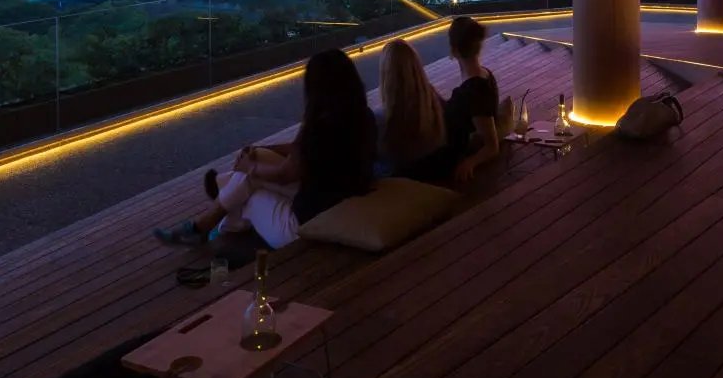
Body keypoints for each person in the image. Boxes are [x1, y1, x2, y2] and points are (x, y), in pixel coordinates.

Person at [153, 48, 375, 250]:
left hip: (303, 223)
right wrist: (260, 150)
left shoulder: (319, 127)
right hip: (337, 199)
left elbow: (285, 175)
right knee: (255, 163)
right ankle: (212, 218)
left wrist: (252, 170)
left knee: (250, 188)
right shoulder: (364, 117)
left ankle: (215, 224)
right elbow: (301, 152)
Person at [405, 15, 504, 186]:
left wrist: (470, 163)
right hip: (447, 145)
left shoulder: (475, 91)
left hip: (449, 156)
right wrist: (432, 93)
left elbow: (491, 145)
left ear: (454, 50)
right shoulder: (483, 76)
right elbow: (463, 112)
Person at [373, 38, 448, 177]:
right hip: (437, 171)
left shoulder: (380, 120)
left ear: (385, 75)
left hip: (403, 183)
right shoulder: (432, 100)